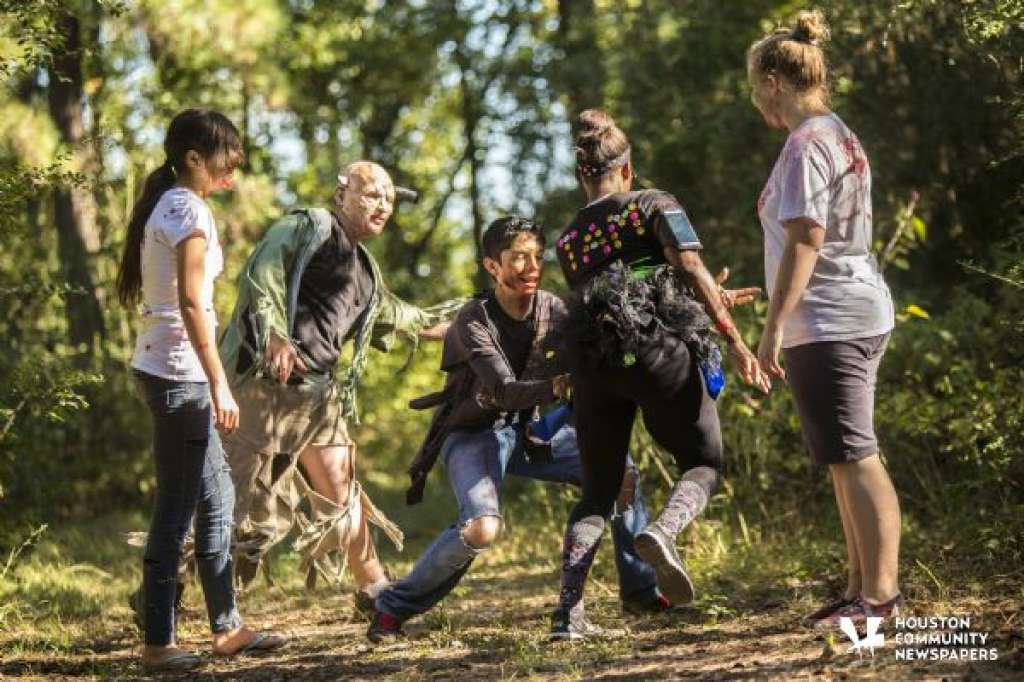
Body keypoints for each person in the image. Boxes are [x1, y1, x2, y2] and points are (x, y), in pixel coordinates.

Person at [366, 216, 669, 644]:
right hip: (474, 435)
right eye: (517, 258)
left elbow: (606, 340)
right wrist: (563, 384)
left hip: (532, 432)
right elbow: (505, 392)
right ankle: (390, 609)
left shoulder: (554, 308)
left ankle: (638, 592)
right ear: (492, 266)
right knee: (480, 529)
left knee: (621, 471)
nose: (530, 267)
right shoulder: (474, 319)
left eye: (535, 256)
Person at [548, 109, 770, 640]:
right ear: (626, 169)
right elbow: (687, 269)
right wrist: (736, 344)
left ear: (584, 175)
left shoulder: (568, 241)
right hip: (656, 350)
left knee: (597, 494)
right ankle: (664, 531)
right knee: (704, 461)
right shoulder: (654, 202)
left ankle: (568, 615)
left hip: (593, 364)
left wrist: (708, 296)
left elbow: (614, 291)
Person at [218, 161, 461, 610]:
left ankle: (375, 590)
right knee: (229, 498)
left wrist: (462, 324)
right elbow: (264, 271)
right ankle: (167, 590)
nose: (383, 204)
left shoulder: (365, 270)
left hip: (317, 396)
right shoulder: (307, 227)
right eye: (372, 194)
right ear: (341, 194)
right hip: (261, 388)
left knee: (342, 492)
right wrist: (273, 333)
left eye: (389, 198)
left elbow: (402, 316)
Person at [117, 109, 287, 671]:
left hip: (171, 367)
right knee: (177, 509)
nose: (233, 171)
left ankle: (228, 628)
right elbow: (192, 304)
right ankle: (157, 642)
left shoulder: (173, 203)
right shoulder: (187, 208)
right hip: (179, 373)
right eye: (226, 159)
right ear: (194, 157)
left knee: (218, 500)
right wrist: (220, 385)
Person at [747, 9, 901, 626]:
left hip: (832, 315)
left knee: (857, 456)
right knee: (842, 458)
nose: (755, 99)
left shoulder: (808, 142)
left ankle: (882, 600)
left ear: (773, 85)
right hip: (844, 309)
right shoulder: (835, 133)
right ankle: (858, 590)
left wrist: (772, 329)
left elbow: (807, 238)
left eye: (754, 88)